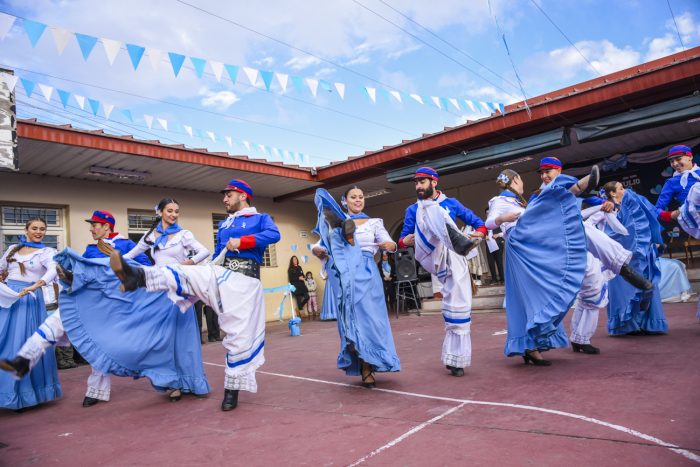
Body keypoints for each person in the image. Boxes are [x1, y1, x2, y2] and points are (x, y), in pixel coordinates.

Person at [109, 179, 280, 412]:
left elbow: (274, 235)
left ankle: (232, 391)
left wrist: (244, 241)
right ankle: (138, 278)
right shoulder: (225, 224)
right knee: (186, 272)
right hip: (220, 273)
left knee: (237, 339)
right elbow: (218, 254)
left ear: (242, 195)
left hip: (245, 282)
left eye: (228, 195)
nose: (224, 199)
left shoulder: (260, 218)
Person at [0, 210, 198, 409]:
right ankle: (95, 391)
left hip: (127, 307)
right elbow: (83, 275)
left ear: (106, 226)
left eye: (95, 225)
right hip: (101, 307)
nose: (91, 229)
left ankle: (169, 383)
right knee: (98, 346)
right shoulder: (90, 250)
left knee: (143, 346)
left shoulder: (126, 245)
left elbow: (147, 270)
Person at [486, 169, 587, 365]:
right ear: (515, 180)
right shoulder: (499, 201)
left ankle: (534, 342)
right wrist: (502, 219)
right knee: (529, 298)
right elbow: (489, 223)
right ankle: (530, 346)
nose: (522, 183)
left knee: (543, 292)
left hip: (531, 245)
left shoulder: (521, 202)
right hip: (519, 248)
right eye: (521, 179)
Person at [398, 167, 485, 377]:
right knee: (450, 308)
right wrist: (404, 241)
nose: (418, 186)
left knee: (458, 309)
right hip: (433, 262)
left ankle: (456, 360)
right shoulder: (413, 210)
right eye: (416, 182)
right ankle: (453, 358)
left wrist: (477, 235)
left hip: (455, 260)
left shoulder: (451, 204)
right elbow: (402, 239)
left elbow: (479, 224)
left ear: (434, 182)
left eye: (422, 182)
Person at [123, 198, 211, 402]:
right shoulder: (149, 236)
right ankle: (171, 384)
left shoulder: (183, 234)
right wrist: (110, 262)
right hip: (158, 289)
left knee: (183, 337)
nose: (173, 214)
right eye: (169, 210)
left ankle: (191, 382)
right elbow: (130, 255)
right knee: (162, 338)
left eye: (176, 211)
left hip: (178, 288)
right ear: (160, 212)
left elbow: (204, 252)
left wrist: (186, 263)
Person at [312, 186, 400, 388]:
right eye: (353, 197)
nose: (358, 200)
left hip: (368, 273)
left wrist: (391, 246)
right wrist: (318, 251)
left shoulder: (375, 222)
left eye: (361, 197)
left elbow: (389, 242)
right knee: (353, 321)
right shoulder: (333, 222)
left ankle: (377, 359)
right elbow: (319, 245)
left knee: (372, 320)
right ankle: (365, 367)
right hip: (346, 274)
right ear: (344, 201)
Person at [0, 218, 62, 410]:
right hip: (8, 299)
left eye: (42, 229)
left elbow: (53, 270)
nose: (39, 232)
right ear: (26, 229)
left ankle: (24, 395)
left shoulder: (47, 252)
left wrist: (36, 285)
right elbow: (2, 269)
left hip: (29, 301)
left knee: (21, 344)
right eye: (34, 228)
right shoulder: (12, 249)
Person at [603, 181, 668, 335]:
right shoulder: (608, 209)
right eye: (621, 188)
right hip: (622, 259)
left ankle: (647, 322)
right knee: (625, 289)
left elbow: (646, 221)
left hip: (641, 256)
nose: (625, 190)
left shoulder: (633, 205)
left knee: (647, 285)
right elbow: (610, 235)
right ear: (612, 193)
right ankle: (626, 324)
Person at [655, 145, 700, 237]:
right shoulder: (671, 183)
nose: (675, 164)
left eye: (678, 159)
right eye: (672, 161)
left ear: (690, 157)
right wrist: (671, 214)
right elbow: (656, 210)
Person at [484, 208, 505, 284]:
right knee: (491, 262)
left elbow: (505, 232)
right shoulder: (484, 223)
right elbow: (481, 233)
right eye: (487, 213)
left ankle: (502, 279)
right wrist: (484, 236)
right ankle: (494, 279)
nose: (488, 214)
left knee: (499, 261)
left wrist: (498, 235)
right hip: (489, 245)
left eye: (489, 213)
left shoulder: (499, 222)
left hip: (499, 243)